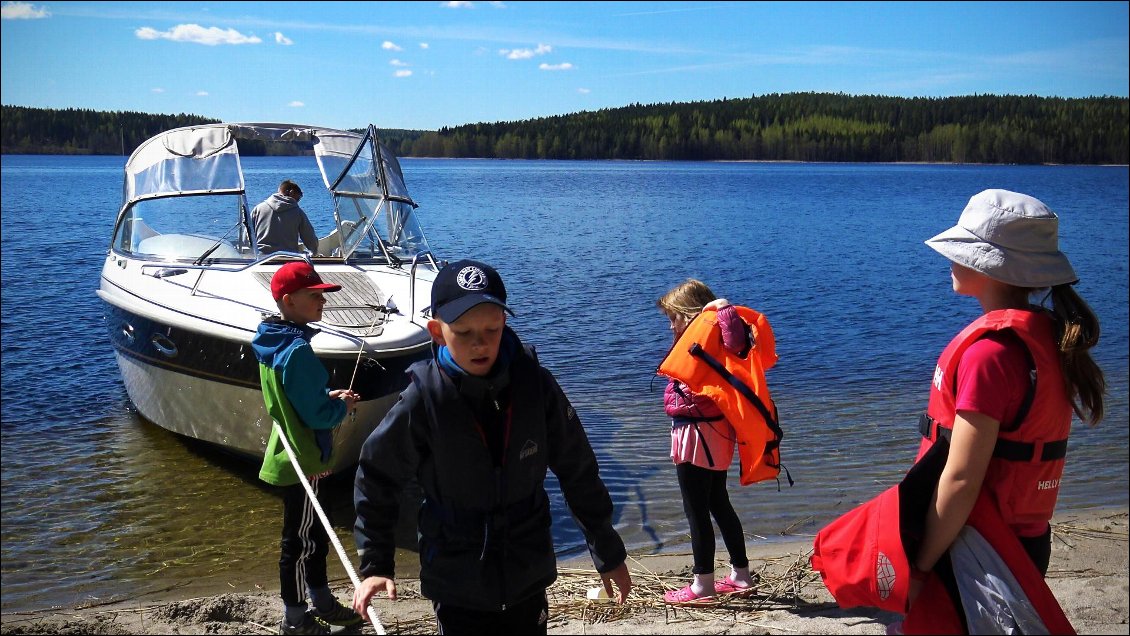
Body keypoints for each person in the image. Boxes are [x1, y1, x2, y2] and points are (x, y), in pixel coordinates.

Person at [351, 259, 632, 634]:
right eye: (463, 332)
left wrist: (607, 550)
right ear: (436, 332)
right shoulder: (424, 398)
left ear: (505, 323)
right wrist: (376, 565)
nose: (479, 343)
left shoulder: (536, 385)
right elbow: (376, 475)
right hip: (457, 581)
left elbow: (577, 466)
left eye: (491, 329)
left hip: (527, 571)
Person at [898, 189, 1106, 633]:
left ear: (989, 265)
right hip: (1027, 540)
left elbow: (960, 478)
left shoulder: (989, 355)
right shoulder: (1050, 338)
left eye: (962, 249)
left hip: (975, 544)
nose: (950, 260)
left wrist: (919, 567)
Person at [252, 260, 364, 635]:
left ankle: (321, 601)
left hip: (297, 454)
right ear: (288, 301)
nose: (322, 302)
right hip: (302, 461)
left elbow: (296, 399)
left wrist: (326, 395)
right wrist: (341, 406)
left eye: (321, 295)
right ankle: (296, 619)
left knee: (315, 536)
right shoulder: (296, 350)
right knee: (300, 543)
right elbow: (318, 416)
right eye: (313, 296)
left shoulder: (274, 340)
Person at [655, 280, 759, 604]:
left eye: (673, 318)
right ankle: (740, 575)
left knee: (695, 510)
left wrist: (721, 308)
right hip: (714, 433)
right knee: (718, 503)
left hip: (696, 435)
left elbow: (739, 341)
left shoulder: (714, 335)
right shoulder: (704, 341)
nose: (671, 325)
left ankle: (702, 585)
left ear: (688, 315)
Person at [253, 179, 319, 255]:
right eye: (298, 199)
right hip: (287, 257)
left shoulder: (258, 209)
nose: (297, 202)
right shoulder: (297, 212)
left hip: (262, 258)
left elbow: (247, 237)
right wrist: (314, 251)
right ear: (291, 192)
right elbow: (310, 239)